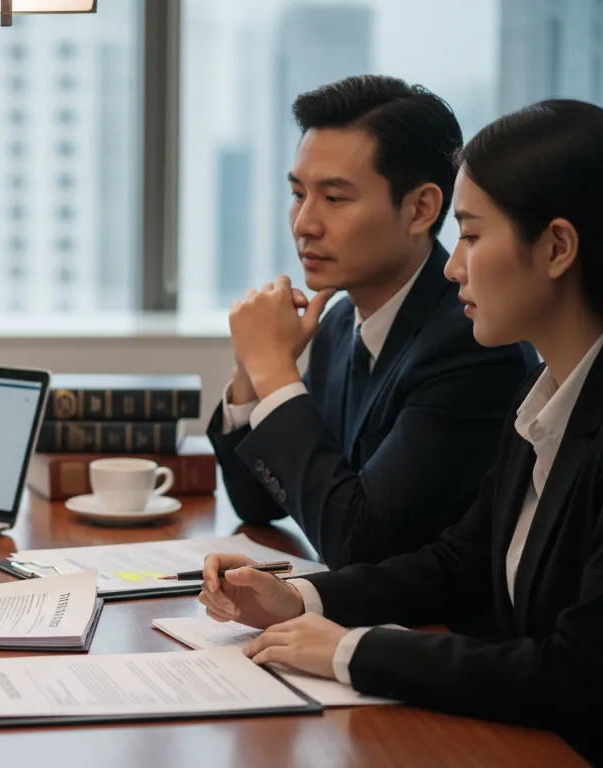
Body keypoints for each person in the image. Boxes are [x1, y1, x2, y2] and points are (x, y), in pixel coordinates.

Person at [199, 99, 603, 764]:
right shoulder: (546, 395)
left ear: (557, 247)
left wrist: (351, 649)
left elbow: (576, 675)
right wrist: (296, 597)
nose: (454, 265)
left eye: (471, 236)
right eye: (299, 194)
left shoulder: (480, 355)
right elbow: (457, 562)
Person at [209, 75, 537, 567]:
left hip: (438, 633)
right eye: (299, 194)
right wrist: (250, 373)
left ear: (420, 208)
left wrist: (275, 371)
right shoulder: (342, 323)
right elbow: (257, 503)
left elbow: (359, 543)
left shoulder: (471, 344)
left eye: (334, 198)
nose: (304, 224)